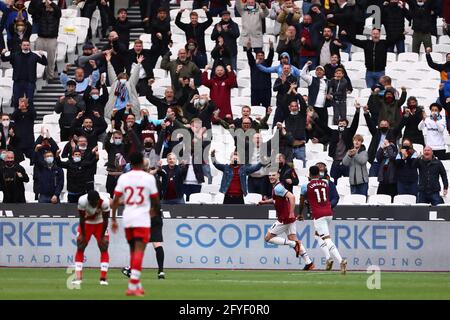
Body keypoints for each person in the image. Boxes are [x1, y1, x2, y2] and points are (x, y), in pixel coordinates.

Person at [111, 152, 161, 296]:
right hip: (142, 218)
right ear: (142, 163)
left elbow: (115, 200)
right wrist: (152, 212)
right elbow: (156, 201)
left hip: (128, 217)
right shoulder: (148, 178)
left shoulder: (123, 178)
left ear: (130, 164)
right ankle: (132, 286)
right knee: (139, 250)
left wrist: (113, 220)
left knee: (133, 249)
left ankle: (137, 283)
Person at [258, 171, 315, 270]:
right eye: (270, 175)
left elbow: (292, 197)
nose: (271, 177)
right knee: (294, 239)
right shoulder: (278, 187)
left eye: (273, 175)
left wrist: (291, 212)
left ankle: (292, 244)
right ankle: (309, 263)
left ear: (278, 175)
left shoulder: (278, 187)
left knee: (268, 238)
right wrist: (264, 202)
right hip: (289, 219)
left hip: (284, 218)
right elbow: (276, 199)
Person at [299, 165, 346, 274]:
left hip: (318, 215)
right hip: (329, 212)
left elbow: (301, 201)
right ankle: (328, 258)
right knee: (317, 236)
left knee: (326, 238)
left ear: (310, 174)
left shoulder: (306, 185)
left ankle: (341, 261)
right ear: (319, 174)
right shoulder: (326, 182)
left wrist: (300, 214)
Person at [309, 104, 361, 183]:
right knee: (333, 181)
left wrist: (357, 111)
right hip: (336, 161)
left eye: (344, 124)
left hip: (347, 161)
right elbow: (323, 127)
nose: (342, 125)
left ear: (347, 125)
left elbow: (355, 124)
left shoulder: (349, 132)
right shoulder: (333, 132)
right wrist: (314, 117)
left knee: (348, 181)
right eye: (340, 124)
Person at [71, 190, 111, 286]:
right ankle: (78, 277)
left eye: (95, 203)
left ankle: (103, 278)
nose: (93, 204)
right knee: (80, 246)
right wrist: (83, 234)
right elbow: (81, 218)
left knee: (104, 246)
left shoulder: (105, 202)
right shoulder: (82, 201)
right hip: (87, 224)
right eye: (91, 203)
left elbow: (106, 220)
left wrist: (102, 236)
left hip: (100, 223)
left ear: (98, 200)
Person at [0, 40, 47, 108]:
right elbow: (4, 59)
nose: (26, 46)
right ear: (21, 46)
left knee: (30, 100)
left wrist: (42, 55)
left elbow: (44, 63)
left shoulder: (34, 56)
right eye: (24, 45)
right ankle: (17, 116)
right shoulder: (15, 55)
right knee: (16, 100)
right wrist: (2, 53)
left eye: (27, 45)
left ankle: (30, 116)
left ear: (29, 46)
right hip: (18, 81)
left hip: (30, 81)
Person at [28, 0, 61, 80]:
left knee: (50, 59)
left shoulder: (56, 14)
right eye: (46, 4)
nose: (47, 5)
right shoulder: (41, 13)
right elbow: (34, 11)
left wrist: (51, 3)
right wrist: (42, 3)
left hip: (52, 39)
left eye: (49, 4)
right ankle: (40, 76)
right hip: (41, 38)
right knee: (38, 58)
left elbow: (58, 11)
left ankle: (50, 76)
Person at [246, 38, 273, 107]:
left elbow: (271, 56)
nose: (260, 57)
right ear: (256, 57)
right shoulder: (253, 64)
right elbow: (249, 56)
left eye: (262, 55)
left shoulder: (267, 63)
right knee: (255, 109)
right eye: (258, 55)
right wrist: (249, 48)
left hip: (266, 90)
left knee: (266, 109)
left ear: (264, 57)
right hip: (255, 90)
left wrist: (271, 47)